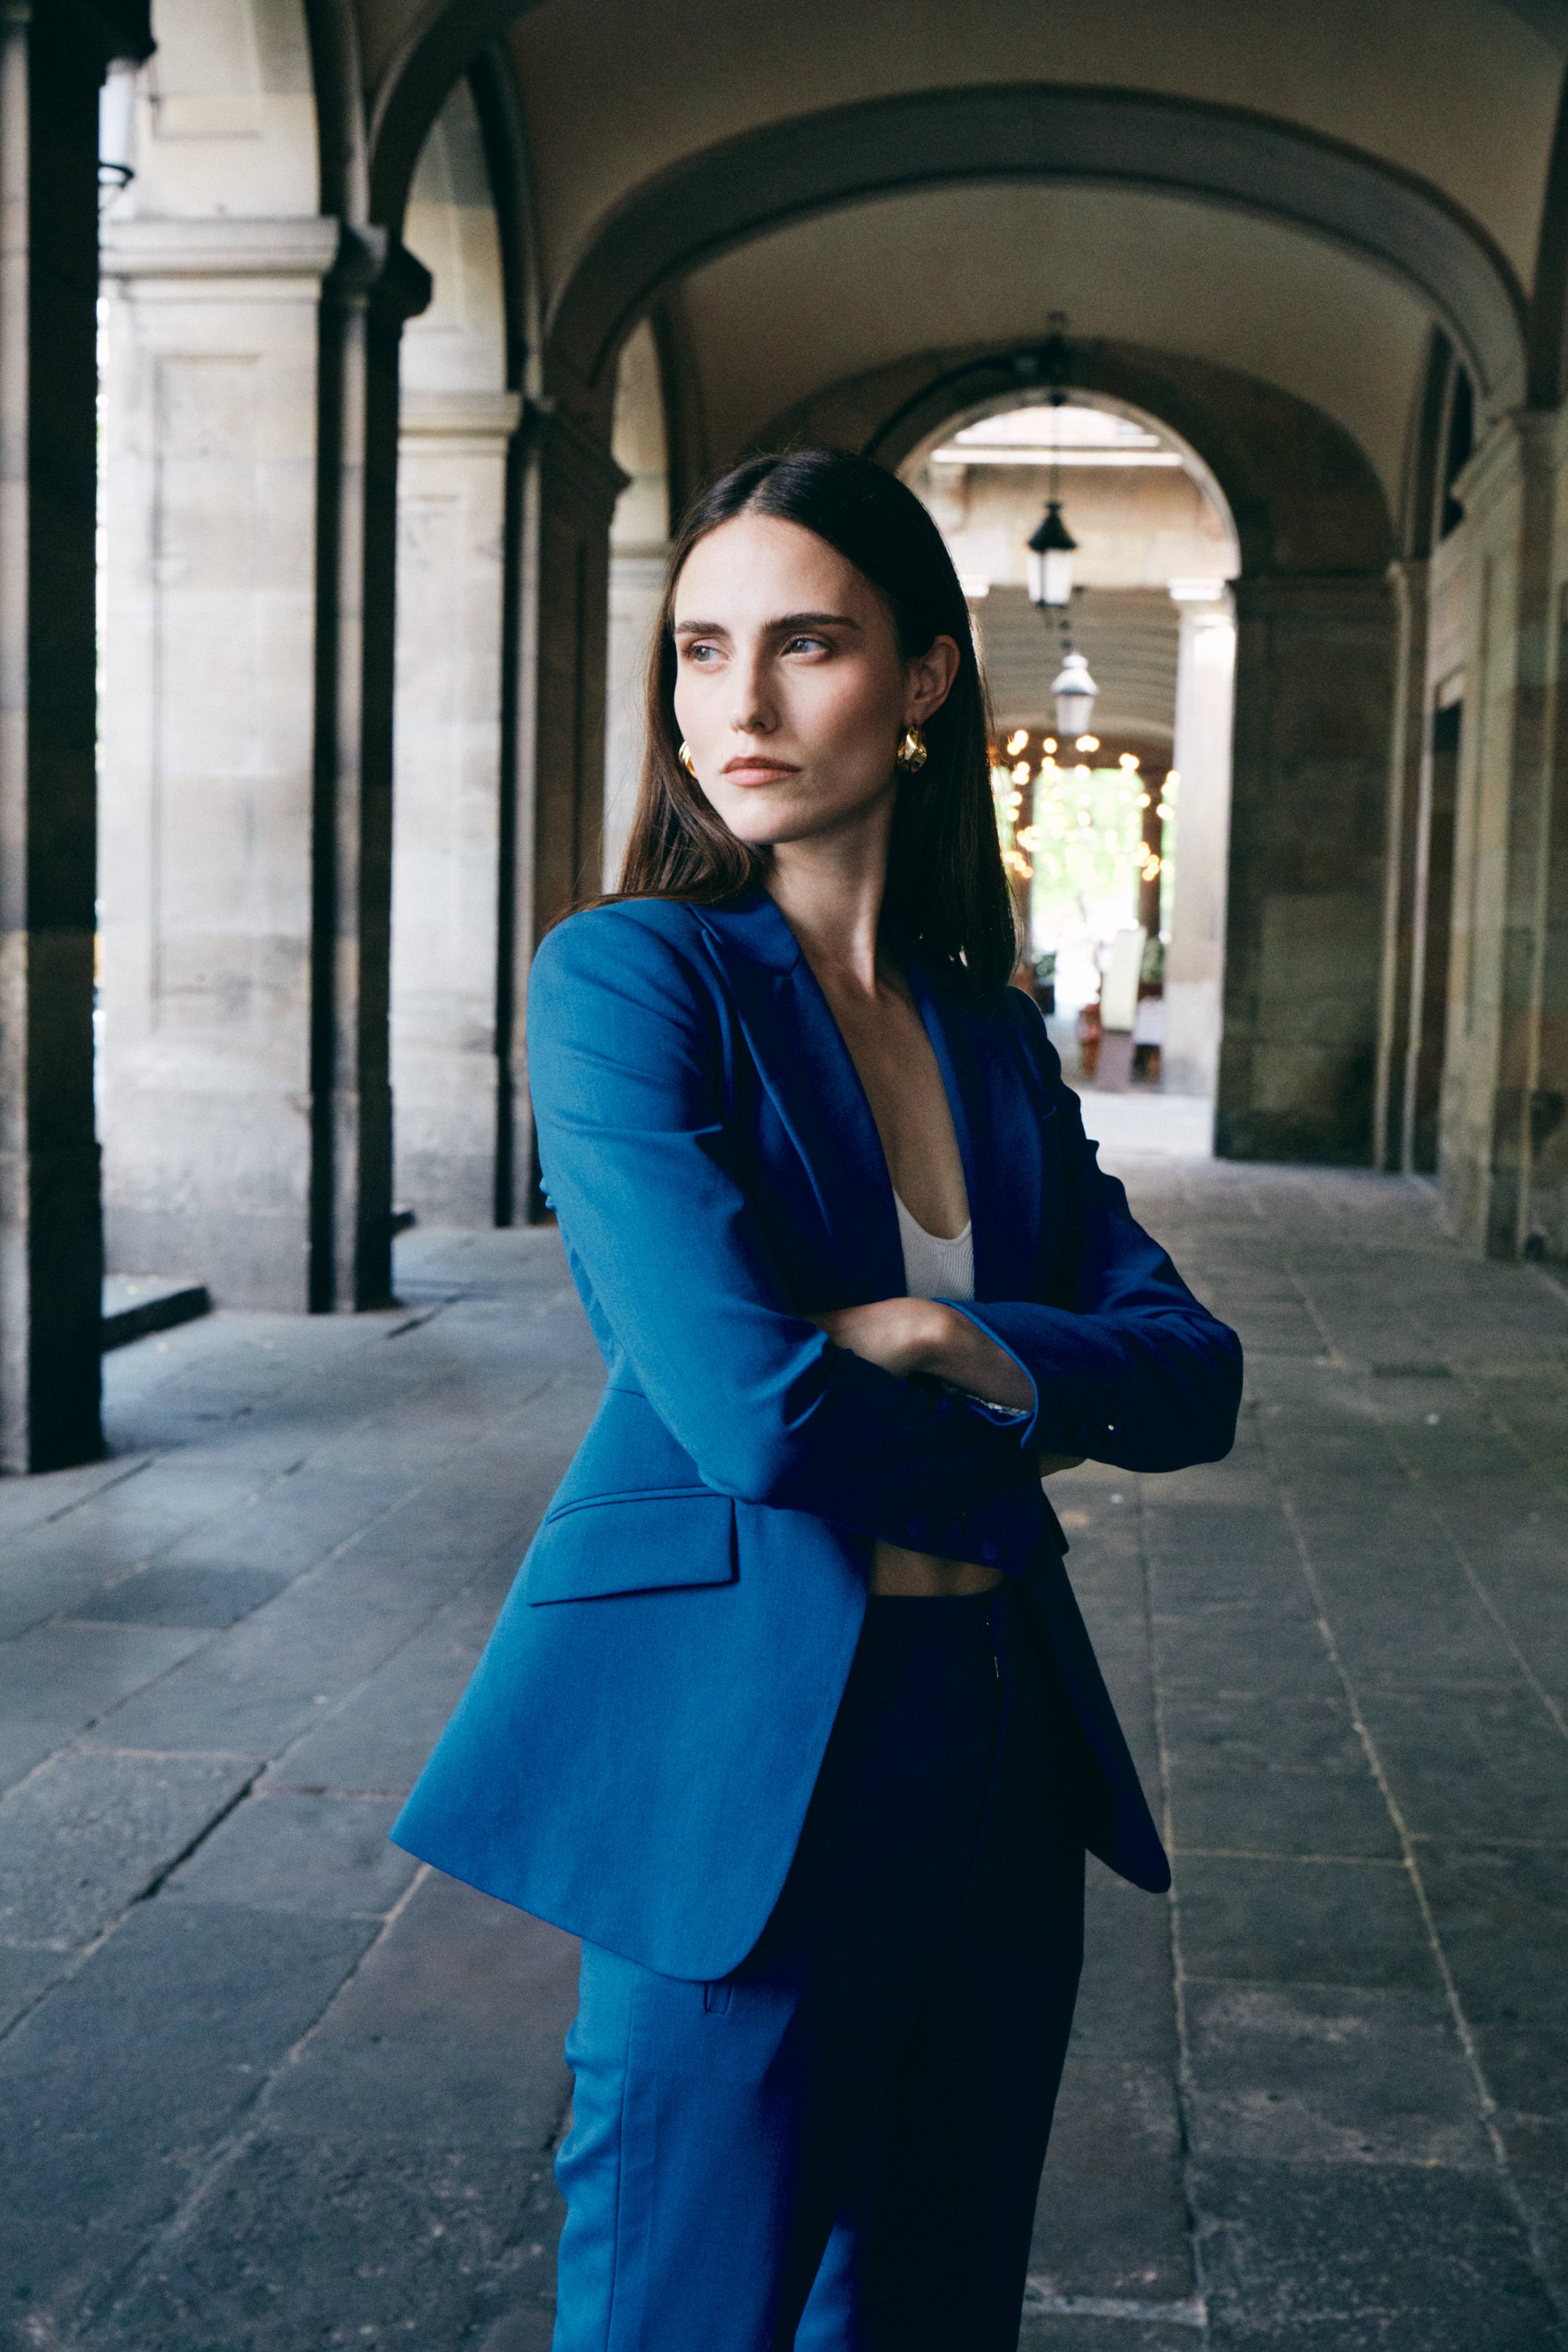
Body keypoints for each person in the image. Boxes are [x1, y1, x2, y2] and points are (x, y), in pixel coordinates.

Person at [392, 448, 1242, 2351]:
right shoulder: (631, 981)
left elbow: (1199, 1373)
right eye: (700, 650)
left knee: (934, 2320)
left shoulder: (987, 1031)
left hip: (1000, 1753)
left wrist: (974, 1344)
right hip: (745, 1766)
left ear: (924, 679)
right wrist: (1043, 1407)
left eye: (805, 643)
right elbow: (752, 1416)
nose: (738, 706)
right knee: (679, 2320)